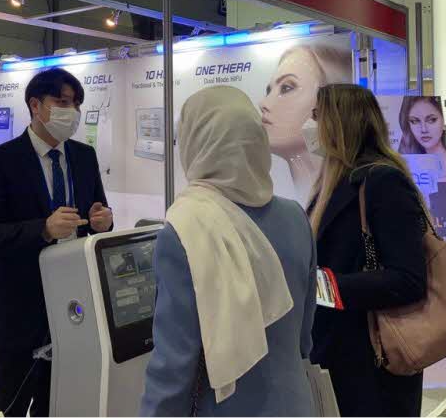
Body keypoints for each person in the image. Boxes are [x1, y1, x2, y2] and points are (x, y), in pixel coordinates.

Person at [141, 86, 316, 417]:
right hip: (295, 404)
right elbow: (304, 338)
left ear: (196, 143)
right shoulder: (295, 216)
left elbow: (174, 366)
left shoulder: (185, 229)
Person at [0, 67, 113, 416]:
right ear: (36, 105)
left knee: (57, 403)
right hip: (17, 310)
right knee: (11, 404)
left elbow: (97, 214)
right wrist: (43, 230)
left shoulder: (84, 156)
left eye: (76, 104)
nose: (72, 112)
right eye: (62, 102)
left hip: (73, 305)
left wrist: (104, 222)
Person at [308, 84, 427, 417]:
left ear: (340, 122)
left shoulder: (382, 182)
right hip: (340, 350)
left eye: (316, 115)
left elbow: (408, 278)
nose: (310, 125)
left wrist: (321, 286)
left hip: (372, 357)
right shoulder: (336, 182)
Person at [259, 44, 351, 203]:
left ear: (328, 103)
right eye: (269, 90)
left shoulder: (354, 190)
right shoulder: (279, 197)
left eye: (286, 88)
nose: (263, 104)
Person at [397, 96, 446, 181]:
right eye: (414, 121)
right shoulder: (409, 163)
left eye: (432, 120)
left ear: (445, 121)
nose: (424, 129)